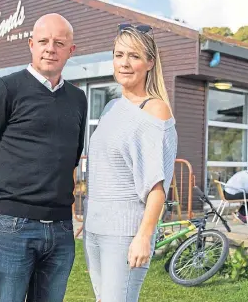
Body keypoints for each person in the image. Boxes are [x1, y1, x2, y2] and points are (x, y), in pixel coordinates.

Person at [0, 13, 87, 302]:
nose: (50, 48)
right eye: (43, 41)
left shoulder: (78, 99)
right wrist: (5, 195)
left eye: (59, 42)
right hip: (13, 226)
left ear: (71, 50)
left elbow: (71, 155)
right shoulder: (4, 89)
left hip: (61, 229)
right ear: (31, 44)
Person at [83, 24, 177, 302]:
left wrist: (143, 237)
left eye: (134, 56)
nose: (124, 63)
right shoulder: (111, 108)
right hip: (95, 229)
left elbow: (157, 186)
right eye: (119, 54)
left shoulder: (154, 110)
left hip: (125, 233)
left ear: (150, 62)